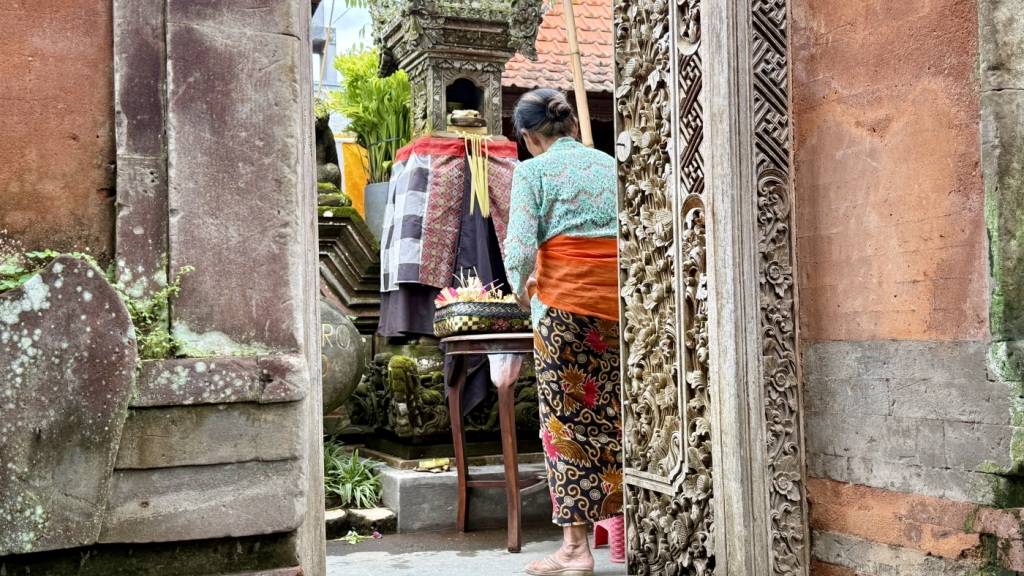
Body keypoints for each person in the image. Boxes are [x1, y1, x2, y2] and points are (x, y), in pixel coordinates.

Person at [503, 88, 621, 576]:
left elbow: (519, 250)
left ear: (530, 136)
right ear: (571, 126)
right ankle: (624, 528)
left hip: (565, 311)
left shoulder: (532, 171)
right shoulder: (609, 165)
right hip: (617, 308)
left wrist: (519, 291)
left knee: (564, 425)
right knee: (614, 418)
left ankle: (575, 548)